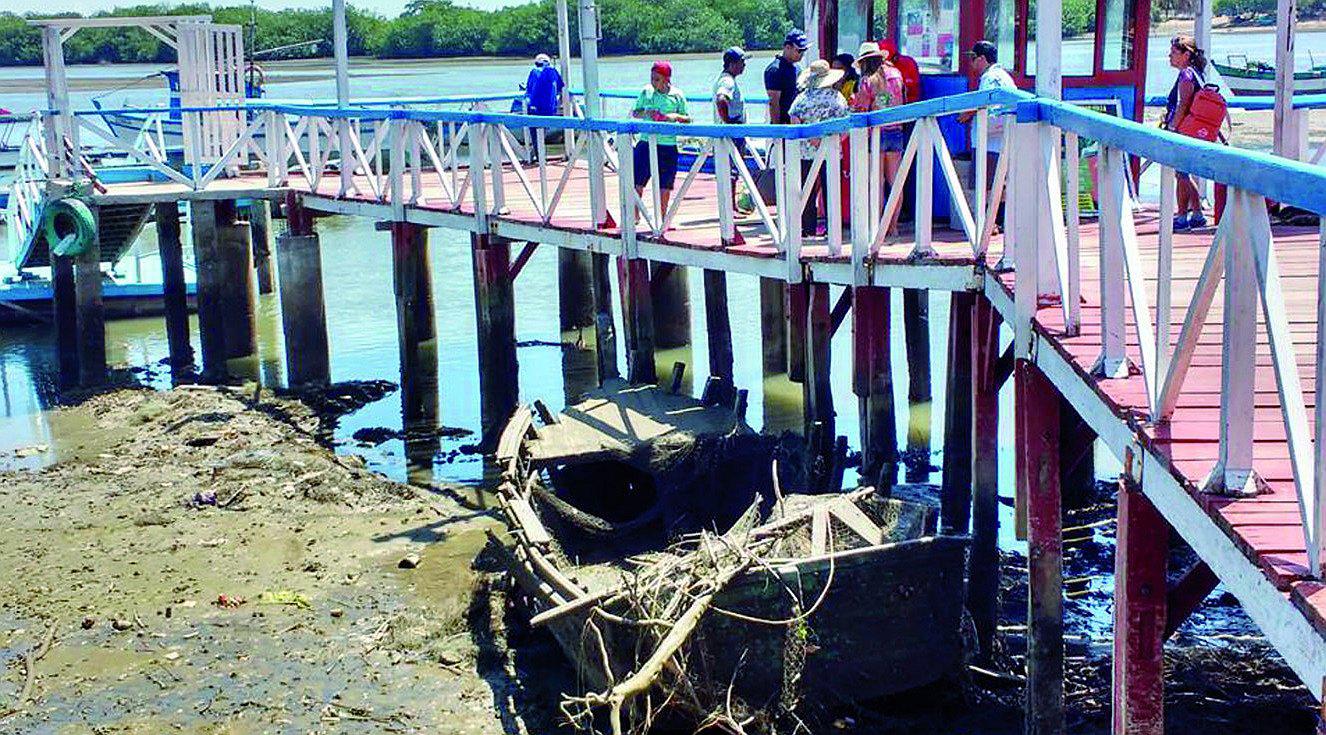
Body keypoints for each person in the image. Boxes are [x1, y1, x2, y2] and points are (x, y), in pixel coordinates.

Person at [959, 40, 1016, 232]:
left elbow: (983, 102)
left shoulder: (989, 78)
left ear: (982, 59)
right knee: (1001, 183)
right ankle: (1000, 220)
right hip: (1005, 138)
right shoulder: (1006, 77)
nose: (972, 63)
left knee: (985, 184)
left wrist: (966, 114)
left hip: (988, 140)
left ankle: (988, 224)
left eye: (974, 59)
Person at [789, 59, 848, 236]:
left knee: (807, 191)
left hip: (806, 152)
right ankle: (833, 229)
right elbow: (846, 125)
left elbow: (794, 121)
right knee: (831, 190)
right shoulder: (836, 98)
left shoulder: (801, 98)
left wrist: (810, 138)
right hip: (831, 152)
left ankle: (807, 229)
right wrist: (833, 142)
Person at [631, 61, 692, 224]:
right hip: (646, 142)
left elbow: (688, 119)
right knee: (637, 180)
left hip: (667, 144)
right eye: (652, 78)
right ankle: (634, 215)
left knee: (665, 183)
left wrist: (674, 117)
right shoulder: (646, 92)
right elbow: (635, 113)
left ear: (666, 80)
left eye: (657, 79)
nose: (653, 82)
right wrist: (646, 112)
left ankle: (662, 218)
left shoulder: (677, 95)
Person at [1165, 35, 1209, 230]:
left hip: (1184, 131)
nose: (1170, 56)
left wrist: (1173, 127)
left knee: (1181, 174)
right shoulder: (1197, 74)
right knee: (1183, 173)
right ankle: (1197, 213)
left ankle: (1182, 216)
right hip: (1193, 131)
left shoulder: (1186, 75)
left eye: (1174, 52)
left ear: (1186, 55)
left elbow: (1183, 104)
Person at [714, 46, 751, 210]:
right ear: (732, 64)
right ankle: (729, 207)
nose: (744, 66)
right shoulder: (727, 81)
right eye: (742, 62)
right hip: (732, 133)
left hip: (731, 132)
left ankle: (731, 205)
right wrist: (728, 122)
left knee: (732, 171)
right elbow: (721, 99)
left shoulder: (727, 79)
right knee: (732, 171)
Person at [765, 29, 809, 125]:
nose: (802, 54)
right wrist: (778, 130)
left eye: (804, 50)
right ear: (787, 47)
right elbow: (774, 103)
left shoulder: (797, 68)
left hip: (797, 123)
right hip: (784, 124)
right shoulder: (775, 70)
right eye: (799, 51)